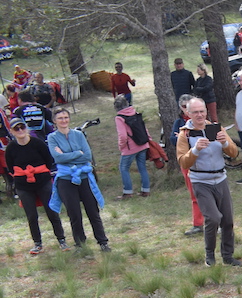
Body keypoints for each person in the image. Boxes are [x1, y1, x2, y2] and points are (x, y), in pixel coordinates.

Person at [177, 97, 242, 267]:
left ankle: (228, 256)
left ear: (206, 111)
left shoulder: (217, 128)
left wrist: (225, 142)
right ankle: (210, 256)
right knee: (213, 218)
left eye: (202, 111)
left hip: (220, 179)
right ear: (188, 113)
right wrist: (195, 150)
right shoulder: (185, 134)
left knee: (227, 220)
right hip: (200, 181)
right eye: (195, 112)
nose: (199, 115)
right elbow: (183, 162)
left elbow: (235, 153)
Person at [47, 108, 110, 251]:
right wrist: (77, 153)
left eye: (66, 117)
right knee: (74, 213)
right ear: (54, 121)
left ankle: (103, 242)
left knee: (93, 211)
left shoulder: (78, 134)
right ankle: (80, 244)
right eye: (60, 118)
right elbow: (58, 158)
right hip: (66, 179)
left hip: (84, 177)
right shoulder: (52, 138)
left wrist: (68, 155)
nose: (64, 120)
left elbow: (87, 156)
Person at [5, 117, 68, 255]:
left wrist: (39, 173)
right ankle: (37, 243)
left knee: (52, 211)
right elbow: (10, 167)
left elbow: (48, 160)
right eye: (16, 129)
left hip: (42, 182)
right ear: (12, 131)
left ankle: (61, 239)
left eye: (22, 127)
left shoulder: (37, 143)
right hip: (23, 185)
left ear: (26, 128)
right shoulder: (11, 148)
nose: (20, 130)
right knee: (31, 216)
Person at [171, 94, 205, 235]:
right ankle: (198, 224)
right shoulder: (179, 123)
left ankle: (216, 222)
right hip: (188, 163)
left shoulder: (203, 122)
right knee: (194, 194)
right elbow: (172, 139)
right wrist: (180, 138)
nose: (186, 110)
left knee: (212, 194)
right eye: (184, 107)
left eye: (188, 106)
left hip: (204, 163)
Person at [113, 95, 151, 200]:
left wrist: (121, 146)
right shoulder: (135, 112)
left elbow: (122, 136)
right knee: (142, 167)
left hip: (130, 147)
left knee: (123, 168)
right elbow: (144, 128)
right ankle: (146, 190)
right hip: (143, 144)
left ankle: (127, 192)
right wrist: (149, 139)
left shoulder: (119, 118)